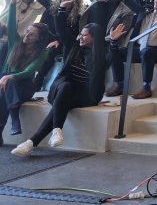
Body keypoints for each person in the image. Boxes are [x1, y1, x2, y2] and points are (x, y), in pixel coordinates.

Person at [11, 22, 107, 156]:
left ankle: (33, 142)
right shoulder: (73, 48)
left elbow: (110, 61)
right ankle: (53, 131)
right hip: (63, 88)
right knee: (66, 87)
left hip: (85, 95)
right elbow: (62, 31)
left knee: (62, 100)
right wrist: (61, 11)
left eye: (85, 35)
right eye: (81, 34)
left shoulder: (102, 54)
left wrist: (113, 43)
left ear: (94, 38)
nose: (81, 37)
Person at [0, 0, 50, 141]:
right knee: (4, 91)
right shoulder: (15, 42)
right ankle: (14, 121)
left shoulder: (42, 52)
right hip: (7, 84)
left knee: (8, 84)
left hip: (25, 86)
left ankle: (11, 122)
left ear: (39, 38)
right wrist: (13, 0)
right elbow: (10, 24)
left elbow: (29, 71)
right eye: (27, 30)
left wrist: (9, 76)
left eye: (31, 34)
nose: (27, 35)